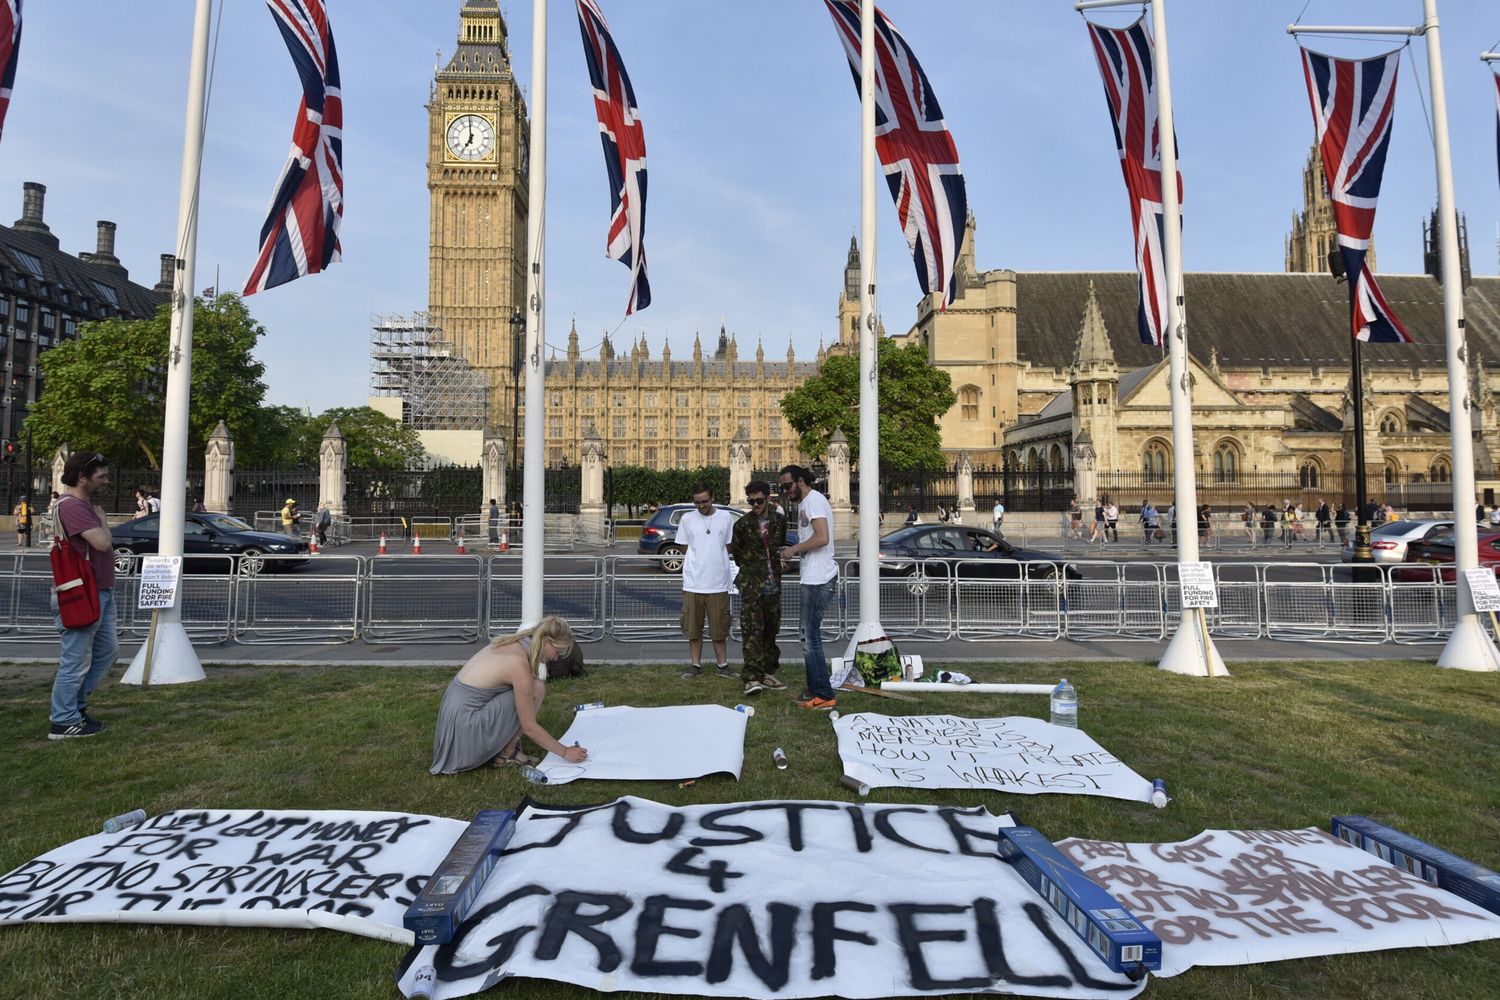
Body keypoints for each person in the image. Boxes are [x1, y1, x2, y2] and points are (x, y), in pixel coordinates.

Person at [430, 616, 589, 775]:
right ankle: (507, 753)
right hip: (462, 733)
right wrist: (565, 752)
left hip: (456, 723)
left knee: (533, 686)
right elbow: (529, 727)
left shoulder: (516, 643)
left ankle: (505, 750)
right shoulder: (518, 663)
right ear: (546, 640)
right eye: (558, 651)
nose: (556, 658)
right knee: (537, 688)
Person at [49, 452, 117, 740]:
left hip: (99, 589)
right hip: (83, 592)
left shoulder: (83, 504)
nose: (105, 481)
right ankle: (63, 721)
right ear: (82, 477)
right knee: (75, 661)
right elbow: (101, 543)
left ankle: (75, 709)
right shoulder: (73, 506)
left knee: (106, 651)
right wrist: (102, 521)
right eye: (100, 476)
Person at [780, 464, 838, 711]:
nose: (784, 491)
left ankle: (823, 695)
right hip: (813, 575)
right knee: (808, 636)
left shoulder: (813, 501)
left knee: (809, 637)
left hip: (818, 578)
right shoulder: (806, 503)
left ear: (800, 481)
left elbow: (822, 537)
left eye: (787, 485)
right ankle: (816, 688)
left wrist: (794, 549)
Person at [727, 480, 788, 697]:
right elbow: (737, 553)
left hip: (773, 585)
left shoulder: (780, 520)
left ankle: (767, 672)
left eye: (759, 500)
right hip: (752, 585)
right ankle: (752, 677)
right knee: (752, 631)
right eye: (751, 501)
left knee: (771, 630)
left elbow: (780, 544)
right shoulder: (742, 525)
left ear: (768, 499)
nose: (755, 504)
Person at [677, 483, 737, 680]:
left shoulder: (725, 518)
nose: (701, 506)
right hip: (693, 582)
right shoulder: (687, 519)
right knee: (693, 628)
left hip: (718, 582)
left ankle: (722, 665)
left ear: (712, 498)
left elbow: (728, 546)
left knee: (719, 628)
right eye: (697, 502)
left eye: (704, 501)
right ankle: (696, 665)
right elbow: (685, 548)